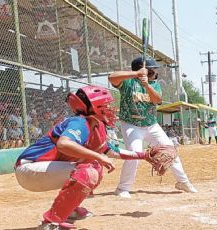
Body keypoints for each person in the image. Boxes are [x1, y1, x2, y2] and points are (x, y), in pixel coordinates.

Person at [15, 85, 131, 229]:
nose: (109, 108)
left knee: (95, 167)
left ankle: (69, 211)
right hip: (29, 168)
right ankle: (51, 222)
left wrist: (144, 155)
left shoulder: (96, 126)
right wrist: (99, 157)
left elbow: (112, 152)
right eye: (104, 104)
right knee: (89, 171)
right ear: (92, 106)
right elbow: (63, 144)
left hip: (44, 170)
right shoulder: (80, 122)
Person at [108, 56, 198, 198]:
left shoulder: (154, 84)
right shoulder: (127, 82)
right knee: (134, 154)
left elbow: (157, 100)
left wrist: (147, 85)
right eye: (151, 71)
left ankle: (183, 182)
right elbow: (112, 77)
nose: (154, 74)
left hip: (151, 125)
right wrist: (136, 74)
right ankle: (122, 188)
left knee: (169, 150)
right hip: (131, 124)